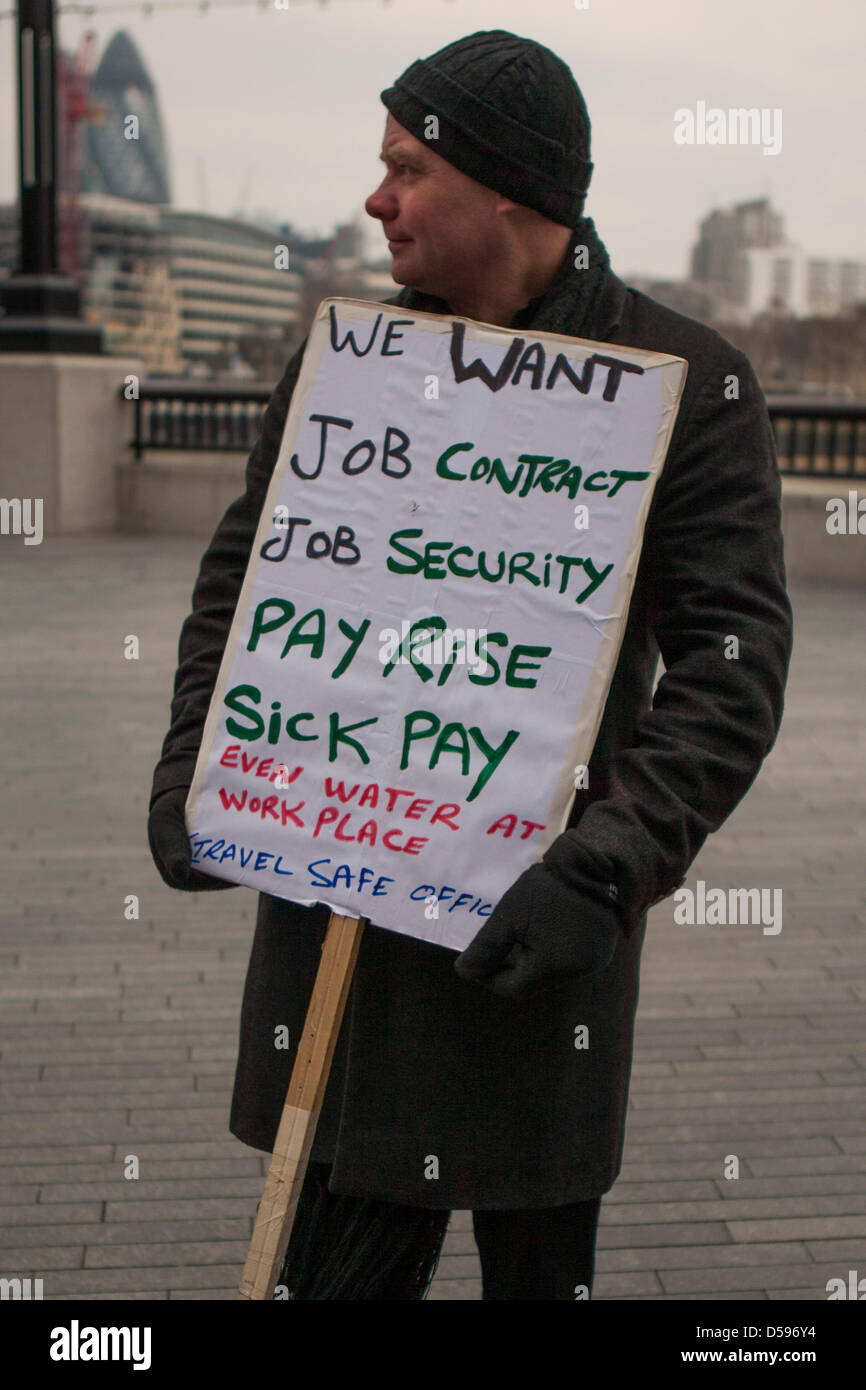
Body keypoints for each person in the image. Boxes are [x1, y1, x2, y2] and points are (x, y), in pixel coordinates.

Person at [148, 29, 794, 1300]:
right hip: (341, 918)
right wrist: (197, 770)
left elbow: (731, 662)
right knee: (329, 1269)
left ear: (505, 190)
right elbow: (241, 585)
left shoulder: (682, 386)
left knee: (537, 1267)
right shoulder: (347, 371)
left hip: (531, 941)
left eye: (403, 168)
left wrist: (603, 869)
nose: (375, 198)